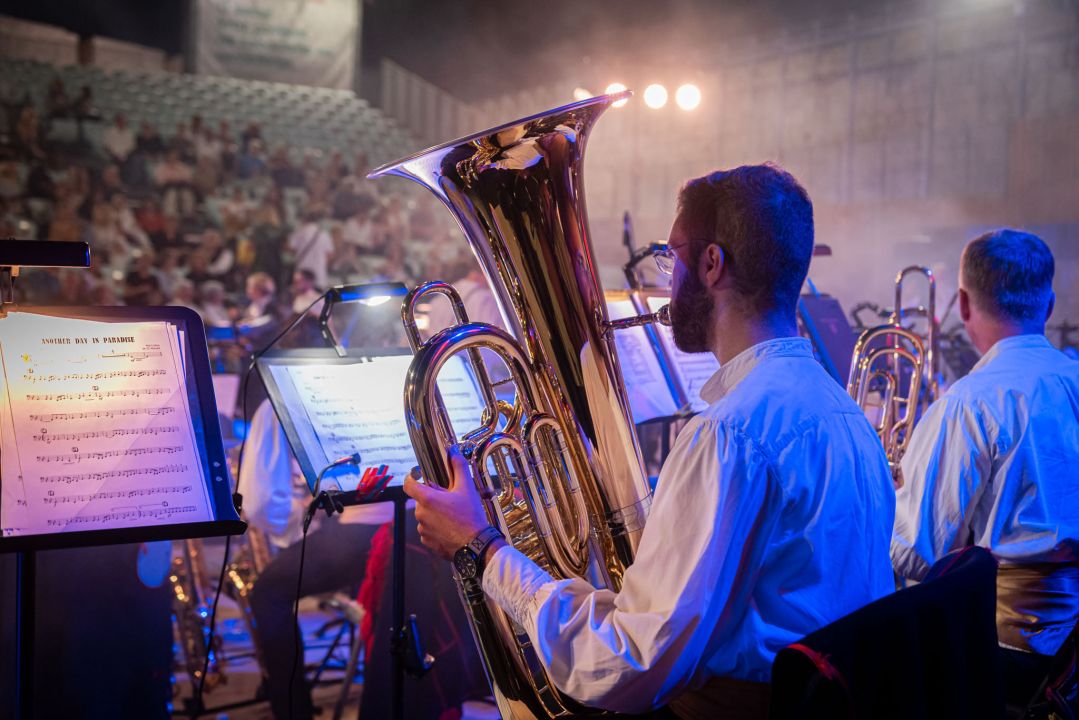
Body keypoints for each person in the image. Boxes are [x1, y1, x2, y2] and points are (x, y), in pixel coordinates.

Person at [402, 164, 897, 717]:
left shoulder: (728, 434)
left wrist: (482, 548)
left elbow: (628, 664)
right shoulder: (841, 409)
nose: (666, 277)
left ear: (711, 264)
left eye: (671, 256)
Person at [891, 229, 1079, 706]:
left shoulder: (970, 401)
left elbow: (920, 555)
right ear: (1050, 304)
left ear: (964, 304)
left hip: (1012, 652)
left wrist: (876, 503)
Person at [288, 213, 334, 289]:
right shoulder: (324, 235)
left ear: (303, 221)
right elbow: (330, 254)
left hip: (302, 272)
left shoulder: (298, 233)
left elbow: (292, 250)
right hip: (319, 273)